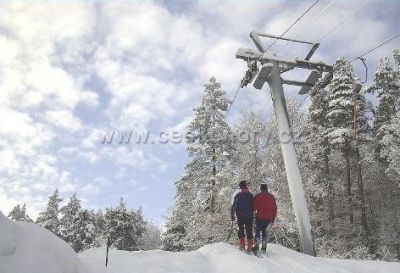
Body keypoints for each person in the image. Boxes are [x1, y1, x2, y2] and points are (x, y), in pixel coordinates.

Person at [253, 183, 277, 254]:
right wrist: (272, 219)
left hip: (260, 216)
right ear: (267, 188)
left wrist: (253, 213)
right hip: (268, 218)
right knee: (264, 230)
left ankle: (256, 246)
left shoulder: (257, 196)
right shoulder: (272, 197)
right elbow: (274, 208)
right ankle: (264, 246)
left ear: (261, 188)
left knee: (258, 230)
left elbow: (254, 206)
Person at [231, 180, 254, 252]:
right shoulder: (251, 195)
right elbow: (254, 205)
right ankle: (250, 246)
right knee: (249, 230)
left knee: (241, 229)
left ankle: (242, 245)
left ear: (240, 187)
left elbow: (234, 205)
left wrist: (232, 214)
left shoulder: (238, 195)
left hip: (240, 215)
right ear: (246, 186)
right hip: (249, 216)